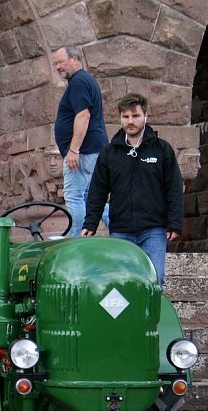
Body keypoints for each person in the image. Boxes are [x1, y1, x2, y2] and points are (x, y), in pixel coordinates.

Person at [81, 93, 183, 286]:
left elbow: (174, 189)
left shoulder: (162, 150)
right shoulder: (109, 153)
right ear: (120, 118)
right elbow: (98, 190)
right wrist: (90, 223)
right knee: (122, 283)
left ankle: (154, 317)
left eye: (135, 116)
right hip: (121, 230)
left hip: (153, 229)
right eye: (125, 116)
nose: (130, 121)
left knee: (155, 280)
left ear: (146, 116)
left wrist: (175, 223)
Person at [52, 46, 109, 237]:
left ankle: (77, 240)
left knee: (75, 196)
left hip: (83, 152)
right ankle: (121, 231)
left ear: (74, 59)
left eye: (61, 61)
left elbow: (83, 115)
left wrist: (73, 150)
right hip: (93, 150)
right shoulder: (85, 81)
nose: (58, 67)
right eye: (55, 64)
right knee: (92, 197)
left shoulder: (78, 82)